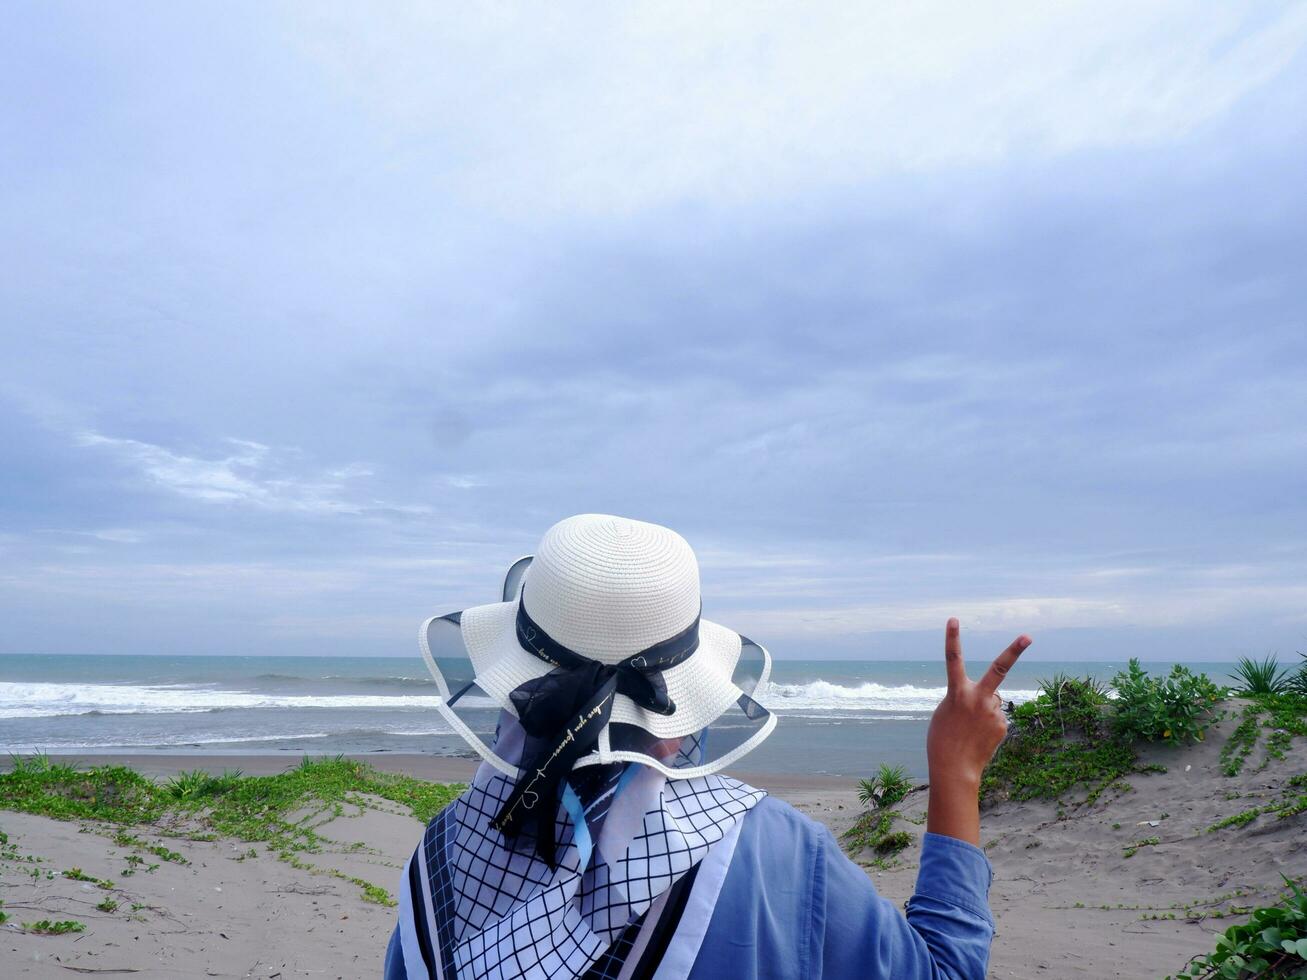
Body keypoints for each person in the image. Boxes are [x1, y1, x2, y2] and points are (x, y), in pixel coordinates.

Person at [385, 514, 1031, 979]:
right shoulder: (776, 853)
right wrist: (956, 770)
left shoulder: (448, 855)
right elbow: (943, 970)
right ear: (680, 712)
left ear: (513, 687)